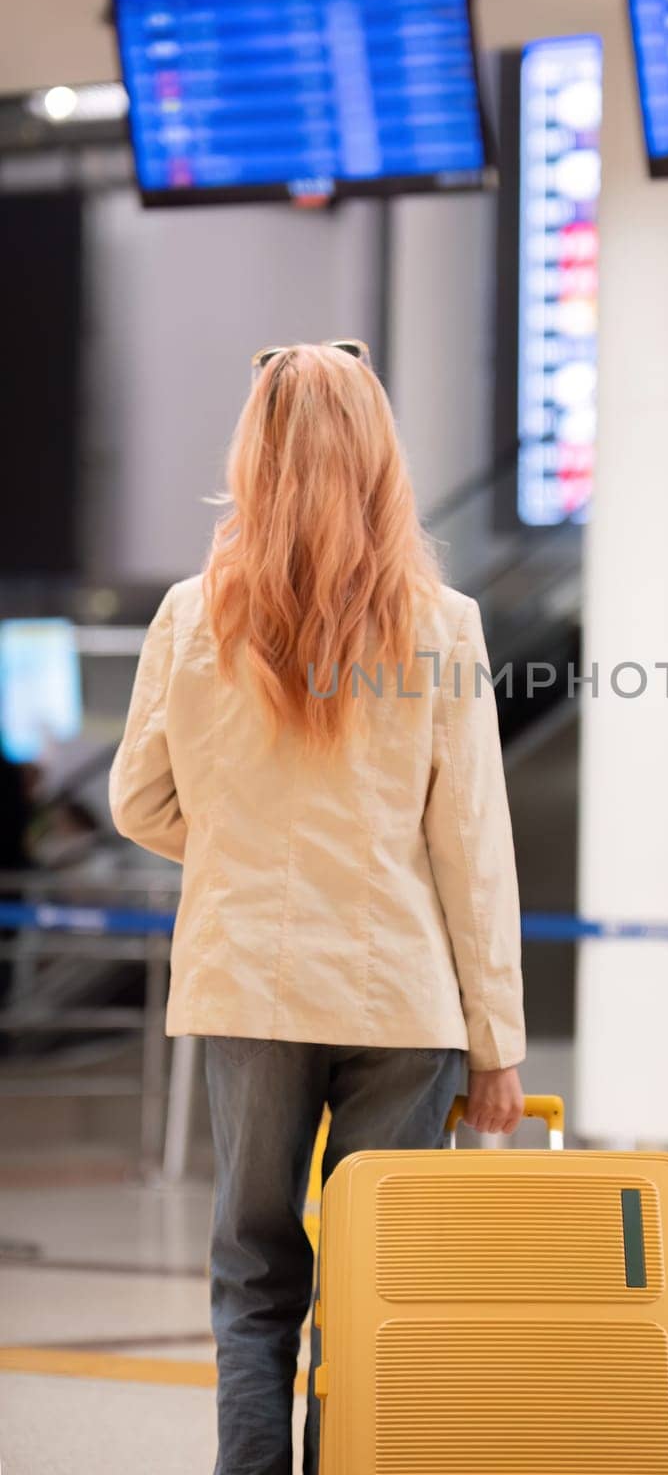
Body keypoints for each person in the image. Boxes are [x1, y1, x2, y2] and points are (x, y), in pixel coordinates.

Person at [109, 340, 526, 1475]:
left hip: (246, 982)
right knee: (376, 1284)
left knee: (253, 1276)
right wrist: (497, 1044)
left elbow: (138, 798)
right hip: (403, 996)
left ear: (252, 455)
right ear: (381, 459)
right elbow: (471, 850)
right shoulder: (441, 624)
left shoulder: (196, 616)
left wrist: (243, 853)